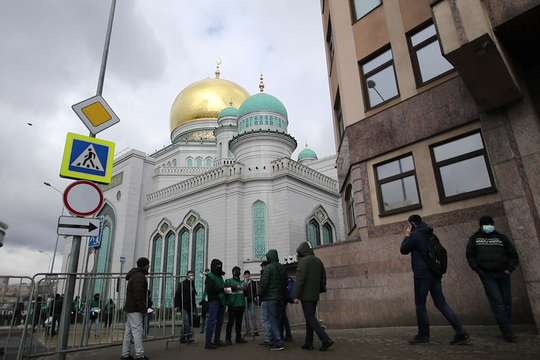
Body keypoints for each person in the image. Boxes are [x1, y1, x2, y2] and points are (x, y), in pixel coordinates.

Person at [400, 214, 470, 345]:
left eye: (409, 224)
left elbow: (403, 249)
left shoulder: (415, 235)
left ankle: (423, 335)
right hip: (435, 274)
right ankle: (461, 332)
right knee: (441, 304)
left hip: (422, 275)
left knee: (421, 306)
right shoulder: (430, 234)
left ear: (413, 224)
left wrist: (407, 235)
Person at [466, 215, 519, 342]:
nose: (489, 226)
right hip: (487, 275)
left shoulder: (501, 238)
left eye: (491, 224)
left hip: (503, 273)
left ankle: (506, 326)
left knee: (506, 301)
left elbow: (513, 254)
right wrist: (479, 270)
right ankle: (506, 330)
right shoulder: (475, 239)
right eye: (486, 224)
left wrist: (509, 269)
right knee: (497, 301)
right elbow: (470, 255)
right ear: (481, 226)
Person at [294, 241, 333, 351]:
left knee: (310, 317)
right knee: (309, 317)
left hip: (306, 294)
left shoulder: (304, 261)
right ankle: (308, 342)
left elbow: (300, 279)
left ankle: (325, 339)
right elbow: (323, 276)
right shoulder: (317, 260)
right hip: (315, 294)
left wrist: (296, 295)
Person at [203, 259, 240, 349]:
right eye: (217, 265)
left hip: (221, 301)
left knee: (220, 321)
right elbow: (210, 289)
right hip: (213, 301)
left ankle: (217, 340)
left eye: (220, 265)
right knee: (211, 322)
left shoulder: (220, 277)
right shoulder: (210, 276)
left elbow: (222, 287)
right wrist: (222, 290)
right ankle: (208, 342)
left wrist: (226, 291)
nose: (219, 267)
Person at [121, 257, 150, 360]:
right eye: (148, 265)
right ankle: (140, 355)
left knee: (128, 332)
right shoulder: (139, 276)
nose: (149, 266)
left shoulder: (135, 275)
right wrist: (143, 309)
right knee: (137, 331)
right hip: (135, 309)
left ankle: (125, 354)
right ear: (145, 265)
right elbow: (138, 294)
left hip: (131, 308)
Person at [258, 249, 287, 351]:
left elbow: (264, 284)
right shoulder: (282, 268)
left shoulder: (268, 268)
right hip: (281, 297)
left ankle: (278, 342)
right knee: (278, 319)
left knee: (272, 320)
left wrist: (260, 294)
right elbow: (286, 283)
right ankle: (276, 339)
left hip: (270, 298)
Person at [225, 266, 248, 345]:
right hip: (232, 304)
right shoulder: (229, 281)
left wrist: (245, 289)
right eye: (236, 271)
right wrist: (235, 287)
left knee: (239, 323)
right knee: (230, 322)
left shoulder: (242, 282)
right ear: (233, 272)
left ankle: (238, 337)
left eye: (239, 271)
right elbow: (226, 287)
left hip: (241, 304)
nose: (237, 272)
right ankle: (228, 338)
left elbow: (246, 294)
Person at [174, 270, 197, 343]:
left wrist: (194, 306)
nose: (191, 277)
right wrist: (176, 305)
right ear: (187, 276)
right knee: (186, 321)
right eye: (190, 275)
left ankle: (182, 338)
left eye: (192, 275)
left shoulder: (192, 284)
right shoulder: (182, 284)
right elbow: (177, 295)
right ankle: (189, 336)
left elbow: (193, 296)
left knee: (186, 322)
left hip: (190, 306)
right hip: (183, 306)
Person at [243, 270, 259, 336]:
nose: (247, 275)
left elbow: (256, 291)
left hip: (251, 300)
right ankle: (247, 330)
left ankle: (255, 330)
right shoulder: (243, 283)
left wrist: (253, 297)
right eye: (246, 274)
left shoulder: (253, 283)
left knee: (253, 315)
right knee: (246, 316)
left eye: (248, 274)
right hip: (245, 301)